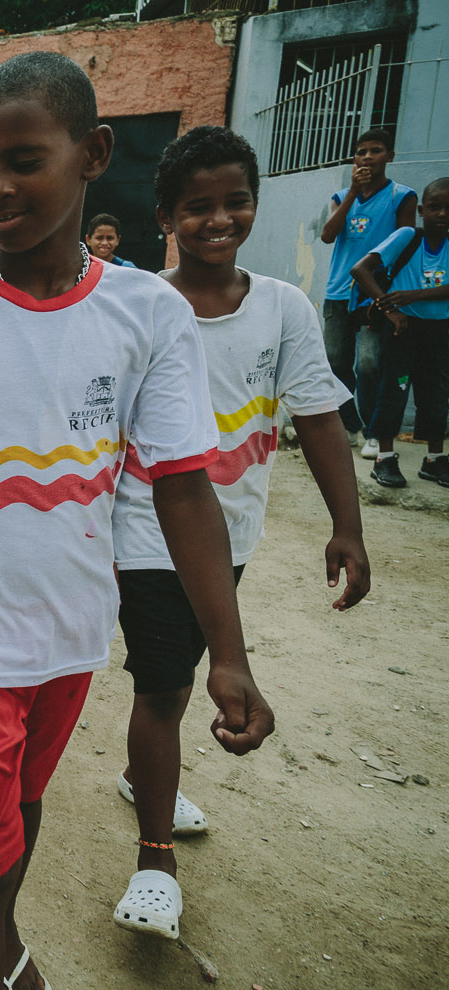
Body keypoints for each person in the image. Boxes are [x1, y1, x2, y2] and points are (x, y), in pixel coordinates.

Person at [0, 52, 274, 990]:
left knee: (25, 807)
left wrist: (230, 651)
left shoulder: (145, 313)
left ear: (93, 153)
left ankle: (7, 954)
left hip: (69, 637)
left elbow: (181, 488)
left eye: (22, 160)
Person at [111, 125, 370, 942]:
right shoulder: (142, 307)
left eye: (235, 203)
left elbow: (319, 417)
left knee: (185, 665)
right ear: (165, 217)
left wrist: (348, 526)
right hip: (146, 532)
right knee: (166, 689)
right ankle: (156, 860)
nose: (218, 220)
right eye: (197, 208)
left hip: (235, 535)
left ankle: (139, 778)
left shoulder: (283, 307)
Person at [320, 128, 417, 456]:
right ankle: (350, 426)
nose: (367, 157)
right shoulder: (340, 196)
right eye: (361, 152)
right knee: (335, 361)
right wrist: (351, 194)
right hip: (337, 291)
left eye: (375, 151)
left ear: (389, 156)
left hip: (374, 293)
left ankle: (376, 434)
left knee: (370, 363)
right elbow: (327, 236)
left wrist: (390, 294)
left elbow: (406, 244)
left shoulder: (401, 196)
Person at [350, 176, 449, 488]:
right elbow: (361, 270)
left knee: (436, 394)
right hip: (402, 330)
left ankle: (434, 459)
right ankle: (385, 458)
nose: (442, 214)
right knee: (394, 388)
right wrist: (390, 309)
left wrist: (414, 295)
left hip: (439, 331)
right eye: (435, 207)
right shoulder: (407, 238)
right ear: (421, 209)